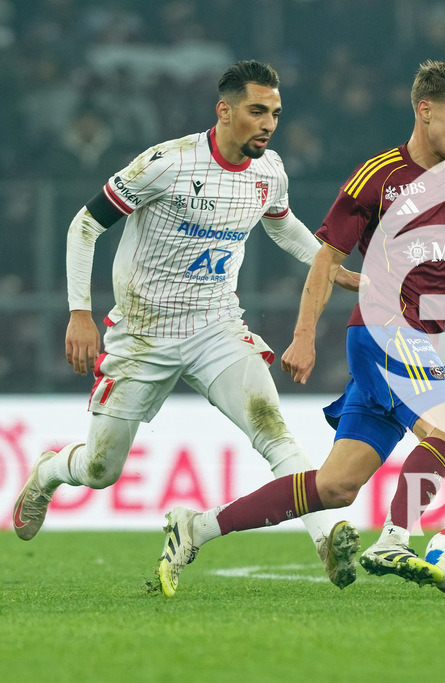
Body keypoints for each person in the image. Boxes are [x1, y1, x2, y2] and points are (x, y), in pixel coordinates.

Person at [156, 60, 445, 597]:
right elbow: (324, 261)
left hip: (413, 340)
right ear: (424, 111)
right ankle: (394, 538)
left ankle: (197, 526)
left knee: (336, 486)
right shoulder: (379, 176)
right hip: (384, 330)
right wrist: (304, 334)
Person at [11, 60, 362, 590]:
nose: (268, 123)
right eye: (257, 111)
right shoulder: (167, 164)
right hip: (143, 334)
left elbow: (282, 224)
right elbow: (84, 225)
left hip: (216, 327)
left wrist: (333, 270)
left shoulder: (270, 172)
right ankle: (50, 471)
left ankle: (327, 536)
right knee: (100, 471)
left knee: (273, 430)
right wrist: (79, 313)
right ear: (224, 110)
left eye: (275, 113)